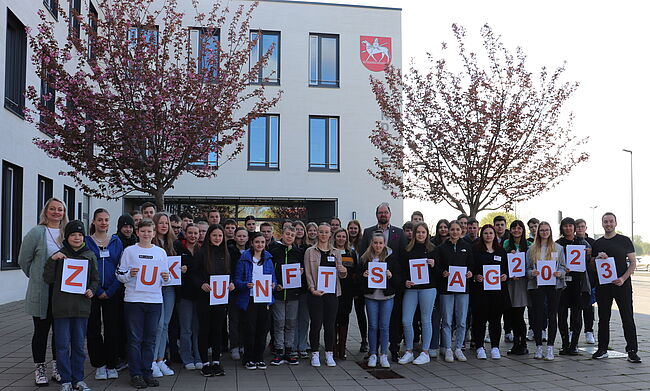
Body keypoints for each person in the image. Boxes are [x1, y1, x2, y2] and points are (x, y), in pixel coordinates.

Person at [43, 220, 99, 391]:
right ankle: (65, 380)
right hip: (61, 309)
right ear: (66, 237)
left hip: (81, 308)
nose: (76, 237)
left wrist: (91, 289)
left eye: (80, 235)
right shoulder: (59, 255)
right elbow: (48, 278)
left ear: (84, 237)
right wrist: (52, 260)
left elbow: (95, 279)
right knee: (61, 346)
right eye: (73, 234)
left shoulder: (89, 255)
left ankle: (79, 379)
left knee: (78, 346)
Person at [18, 197, 69, 386]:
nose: (57, 212)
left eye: (60, 210)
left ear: (64, 213)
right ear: (46, 211)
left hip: (62, 292)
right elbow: (24, 260)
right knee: (41, 331)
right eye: (53, 209)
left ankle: (57, 366)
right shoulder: (36, 232)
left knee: (60, 332)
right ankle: (40, 368)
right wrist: (36, 278)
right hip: (41, 291)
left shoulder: (67, 233)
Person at [116, 219, 170, 389]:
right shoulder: (129, 251)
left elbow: (165, 278)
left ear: (154, 234)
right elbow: (120, 274)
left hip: (154, 300)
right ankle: (136, 374)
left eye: (149, 231)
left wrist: (166, 278)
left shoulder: (161, 252)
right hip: (134, 300)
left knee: (150, 339)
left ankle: (147, 372)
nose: (146, 234)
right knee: (135, 339)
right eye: (143, 231)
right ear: (137, 232)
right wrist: (129, 274)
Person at [358, 203, 407, 361]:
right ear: (376, 214)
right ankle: (373, 351)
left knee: (391, 322)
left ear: (390, 214)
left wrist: (395, 279)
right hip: (372, 290)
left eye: (385, 212)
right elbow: (363, 259)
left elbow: (402, 260)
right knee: (373, 324)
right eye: (380, 212)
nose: (383, 214)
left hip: (391, 287)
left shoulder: (399, 233)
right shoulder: (368, 232)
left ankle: (392, 350)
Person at [590, 212, 641, 363]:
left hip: (622, 285)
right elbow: (592, 265)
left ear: (616, 223)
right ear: (602, 224)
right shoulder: (597, 243)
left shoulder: (624, 241)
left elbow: (632, 263)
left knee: (627, 317)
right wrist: (597, 258)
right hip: (603, 286)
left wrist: (623, 278)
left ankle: (632, 351)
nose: (608, 224)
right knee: (604, 318)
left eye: (611, 221)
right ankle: (602, 348)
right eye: (606, 222)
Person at [85, 209, 124, 381]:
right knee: (93, 330)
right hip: (92, 292)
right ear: (93, 222)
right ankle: (99, 364)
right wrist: (98, 290)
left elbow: (121, 267)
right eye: (100, 220)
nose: (103, 223)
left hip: (112, 291)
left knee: (112, 329)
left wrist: (111, 290)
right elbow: (83, 269)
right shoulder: (86, 242)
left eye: (106, 220)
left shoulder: (116, 241)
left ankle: (111, 364)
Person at [304, 223, 348, 367]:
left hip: (332, 293)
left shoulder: (336, 253)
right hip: (316, 294)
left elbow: (341, 275)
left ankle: (329, 353)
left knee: (330, 325)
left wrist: (343, 270)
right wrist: (312, 289)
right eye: (321, 232)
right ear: (317, 233)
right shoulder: (310, 251)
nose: (323, 234)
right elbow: (308, 273)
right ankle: (315, 354)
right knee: (316, 324)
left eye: (326, 232)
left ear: (330, 235)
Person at [193, 224, 233, 376]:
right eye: (215, 235)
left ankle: (216, 361)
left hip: (220, 298)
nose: (217, 238)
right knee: (204, 330)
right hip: (204, 298)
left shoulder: (226, 253)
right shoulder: (201, 253)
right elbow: (193, 274)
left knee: (217, 330)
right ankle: (204, 363)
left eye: (220, 236)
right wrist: (201, 284)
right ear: (209, 236)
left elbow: (231, 273)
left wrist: (231, 283)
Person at [234, 232, 277, 370]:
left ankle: (259, 358)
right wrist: (245, 284)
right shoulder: (244, 259)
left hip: (264, 299)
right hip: (250, 299)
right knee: (250, 329)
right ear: (252, 243)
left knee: (262, 330)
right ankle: (248, 358)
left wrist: (273, 285)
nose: (260, 245)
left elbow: (274, 279)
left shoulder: (269, 259)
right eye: (257, 242)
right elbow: (237, 280)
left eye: (262, 242)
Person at [399, 222, 439, 365]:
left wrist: (434, 265)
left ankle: (425, 352)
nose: (421, 235)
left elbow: (440, 273)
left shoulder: (433, 249)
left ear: (427, 234)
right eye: (418, 232)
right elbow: (401, 270)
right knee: (406, 320)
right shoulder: (407, 250)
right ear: (414, 234)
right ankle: (409, 350)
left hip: (428, 288)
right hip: (411, 289)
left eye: (423, 232)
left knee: (425, 319)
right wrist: (405, 281)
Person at [359, 231, 401, 368]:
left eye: (380, 243)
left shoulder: (391, 257)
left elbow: (398, 279)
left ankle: (383, 354)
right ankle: (372, 354)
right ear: (372, 243)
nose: (378, 245)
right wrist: (363, 275)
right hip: (371, 296)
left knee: (384, 326)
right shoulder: (365, 258)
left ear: (384, 244)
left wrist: (391, 275)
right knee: (372, 326)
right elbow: (358, 276)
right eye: (375, 243)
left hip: (387, 296)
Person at [526, 221, 566, 361]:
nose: (544, 232)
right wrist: (532, 273)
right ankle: (538, 346)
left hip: (553, 285)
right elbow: (527, 269)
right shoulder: (531, 249)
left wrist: (559, 273)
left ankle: (550, 347)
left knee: (552, 315)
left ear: (550, 231)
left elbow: (562, 267)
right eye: (542, 230)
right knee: (537, 315)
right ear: (538, 232)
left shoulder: (558, 248)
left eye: (546, 230)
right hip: (537, 285)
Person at [436, 220, 473, 362]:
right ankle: (448, 349)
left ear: (461, 230)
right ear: (449, 231)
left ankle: (458, 348)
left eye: (458, 229)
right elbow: (437, 267)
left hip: (463, 289)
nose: (455, 232)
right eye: (452, 229)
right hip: (446, 289)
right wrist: (443, 273)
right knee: (446, 321)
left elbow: (472, 264)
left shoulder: (467, 247)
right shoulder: (441, 248)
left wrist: (470, 272)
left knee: (462, 321)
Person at [471, 224, 508, 360]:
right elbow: (472, 268)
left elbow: (506, 269)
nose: (488, 235)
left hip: (497, 292)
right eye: (485, 233)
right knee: (480, 320)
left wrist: (505, 276)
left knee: (495, 320)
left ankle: (495, 347)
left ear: (494, 235)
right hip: (480, 292)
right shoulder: (476, 251)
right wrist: (476, 276)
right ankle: (480, 347)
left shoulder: (501, 251)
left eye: (491, 233)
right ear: (482, 235)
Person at [556, 217, 591, 356]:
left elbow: (589, 264)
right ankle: (565, 344)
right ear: (562, 228)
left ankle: (574, 344)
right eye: (565, 226)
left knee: (577, 314)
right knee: (562, 314)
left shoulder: (583, 243)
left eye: (571, 226)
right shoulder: (557, 244)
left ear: (574, 228)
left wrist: (589, 256)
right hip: (563, 284)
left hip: (578, 283)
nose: (568, 228)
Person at [269, 226, 304, 365]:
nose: (289, 236)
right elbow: (270, 270)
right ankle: (279, 351)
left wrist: (301, 272)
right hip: (278, 294)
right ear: (282, 235)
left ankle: (289, 351)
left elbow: (303, 271)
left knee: (290, 323)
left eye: (292, 235)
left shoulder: (298, 252)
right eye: (287, 234)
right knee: (279, 323)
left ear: (295, 237)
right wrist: (275, 284)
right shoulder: (274, 251)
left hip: (293, 294)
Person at [151, 213, 177, 377]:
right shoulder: (150, 243)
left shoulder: (172, 244)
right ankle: (152, 361)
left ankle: (161, 359)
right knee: (158, 325)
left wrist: (181, 269)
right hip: (154, 288)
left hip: (169, 288)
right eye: (160, 223)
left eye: (166, 223)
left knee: (165, 324)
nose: (163, 226)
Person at [174, 224, 202, 371]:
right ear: (185, 234)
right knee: (186, 329)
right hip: (184, 295)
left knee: (197, 329)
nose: (193, 236)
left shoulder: (202, 251)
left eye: (195, 233)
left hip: (200, 295)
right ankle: (187, 358)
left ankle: (198, 357)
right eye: (190, 233)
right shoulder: (178, 249)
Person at [502, 220, 531, 355]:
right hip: (510, 282)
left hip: (522, 283)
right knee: (512, 315)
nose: (516, 231)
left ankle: (522, 343)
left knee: (519, 314)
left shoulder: (529, 244)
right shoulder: (506, 244)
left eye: (519, 228)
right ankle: (516, 343)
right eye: (514, 228)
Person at [332, 228, 358, 360]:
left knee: (344, 319)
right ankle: (333, 347)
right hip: (333, 291)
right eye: (339, 236)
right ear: (335, 237)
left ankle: (342, 348)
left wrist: (355, 291)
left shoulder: (351, 253)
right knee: (333, 320)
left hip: (347, 292)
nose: (341, 238)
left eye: (343, 236)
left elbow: (355, 273)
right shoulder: (330, 252)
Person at [346, 219, 368, 353]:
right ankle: (341, 341)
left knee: (360, 313)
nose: (353, 230)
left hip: (360, 283)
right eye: (351, 228)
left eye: (355, 228)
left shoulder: (363, 244)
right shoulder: (344, 243)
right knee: (345, 312)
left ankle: (364, 340)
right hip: (348, 282)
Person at [227, 227, 249, 361]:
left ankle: (243, 344)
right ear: (234, 237)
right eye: (239, 236)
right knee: (234, 320)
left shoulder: (250, 252)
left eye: (244, 236)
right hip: (233, 289)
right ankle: (234, 346)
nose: (241, 238)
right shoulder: (229, 251)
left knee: (245, 320)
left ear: (247, 238)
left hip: (247, 290)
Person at [575, 218, 596, 344]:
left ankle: (589, 331)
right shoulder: (571, 242)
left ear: (586, 228)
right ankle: (573, 331)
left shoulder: (592, 242)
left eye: (582, 226)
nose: (580, 229)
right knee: (575, 307)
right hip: (576, 279)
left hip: (589, 278)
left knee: (588, 306)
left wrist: (591, 255)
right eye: (578, 227)